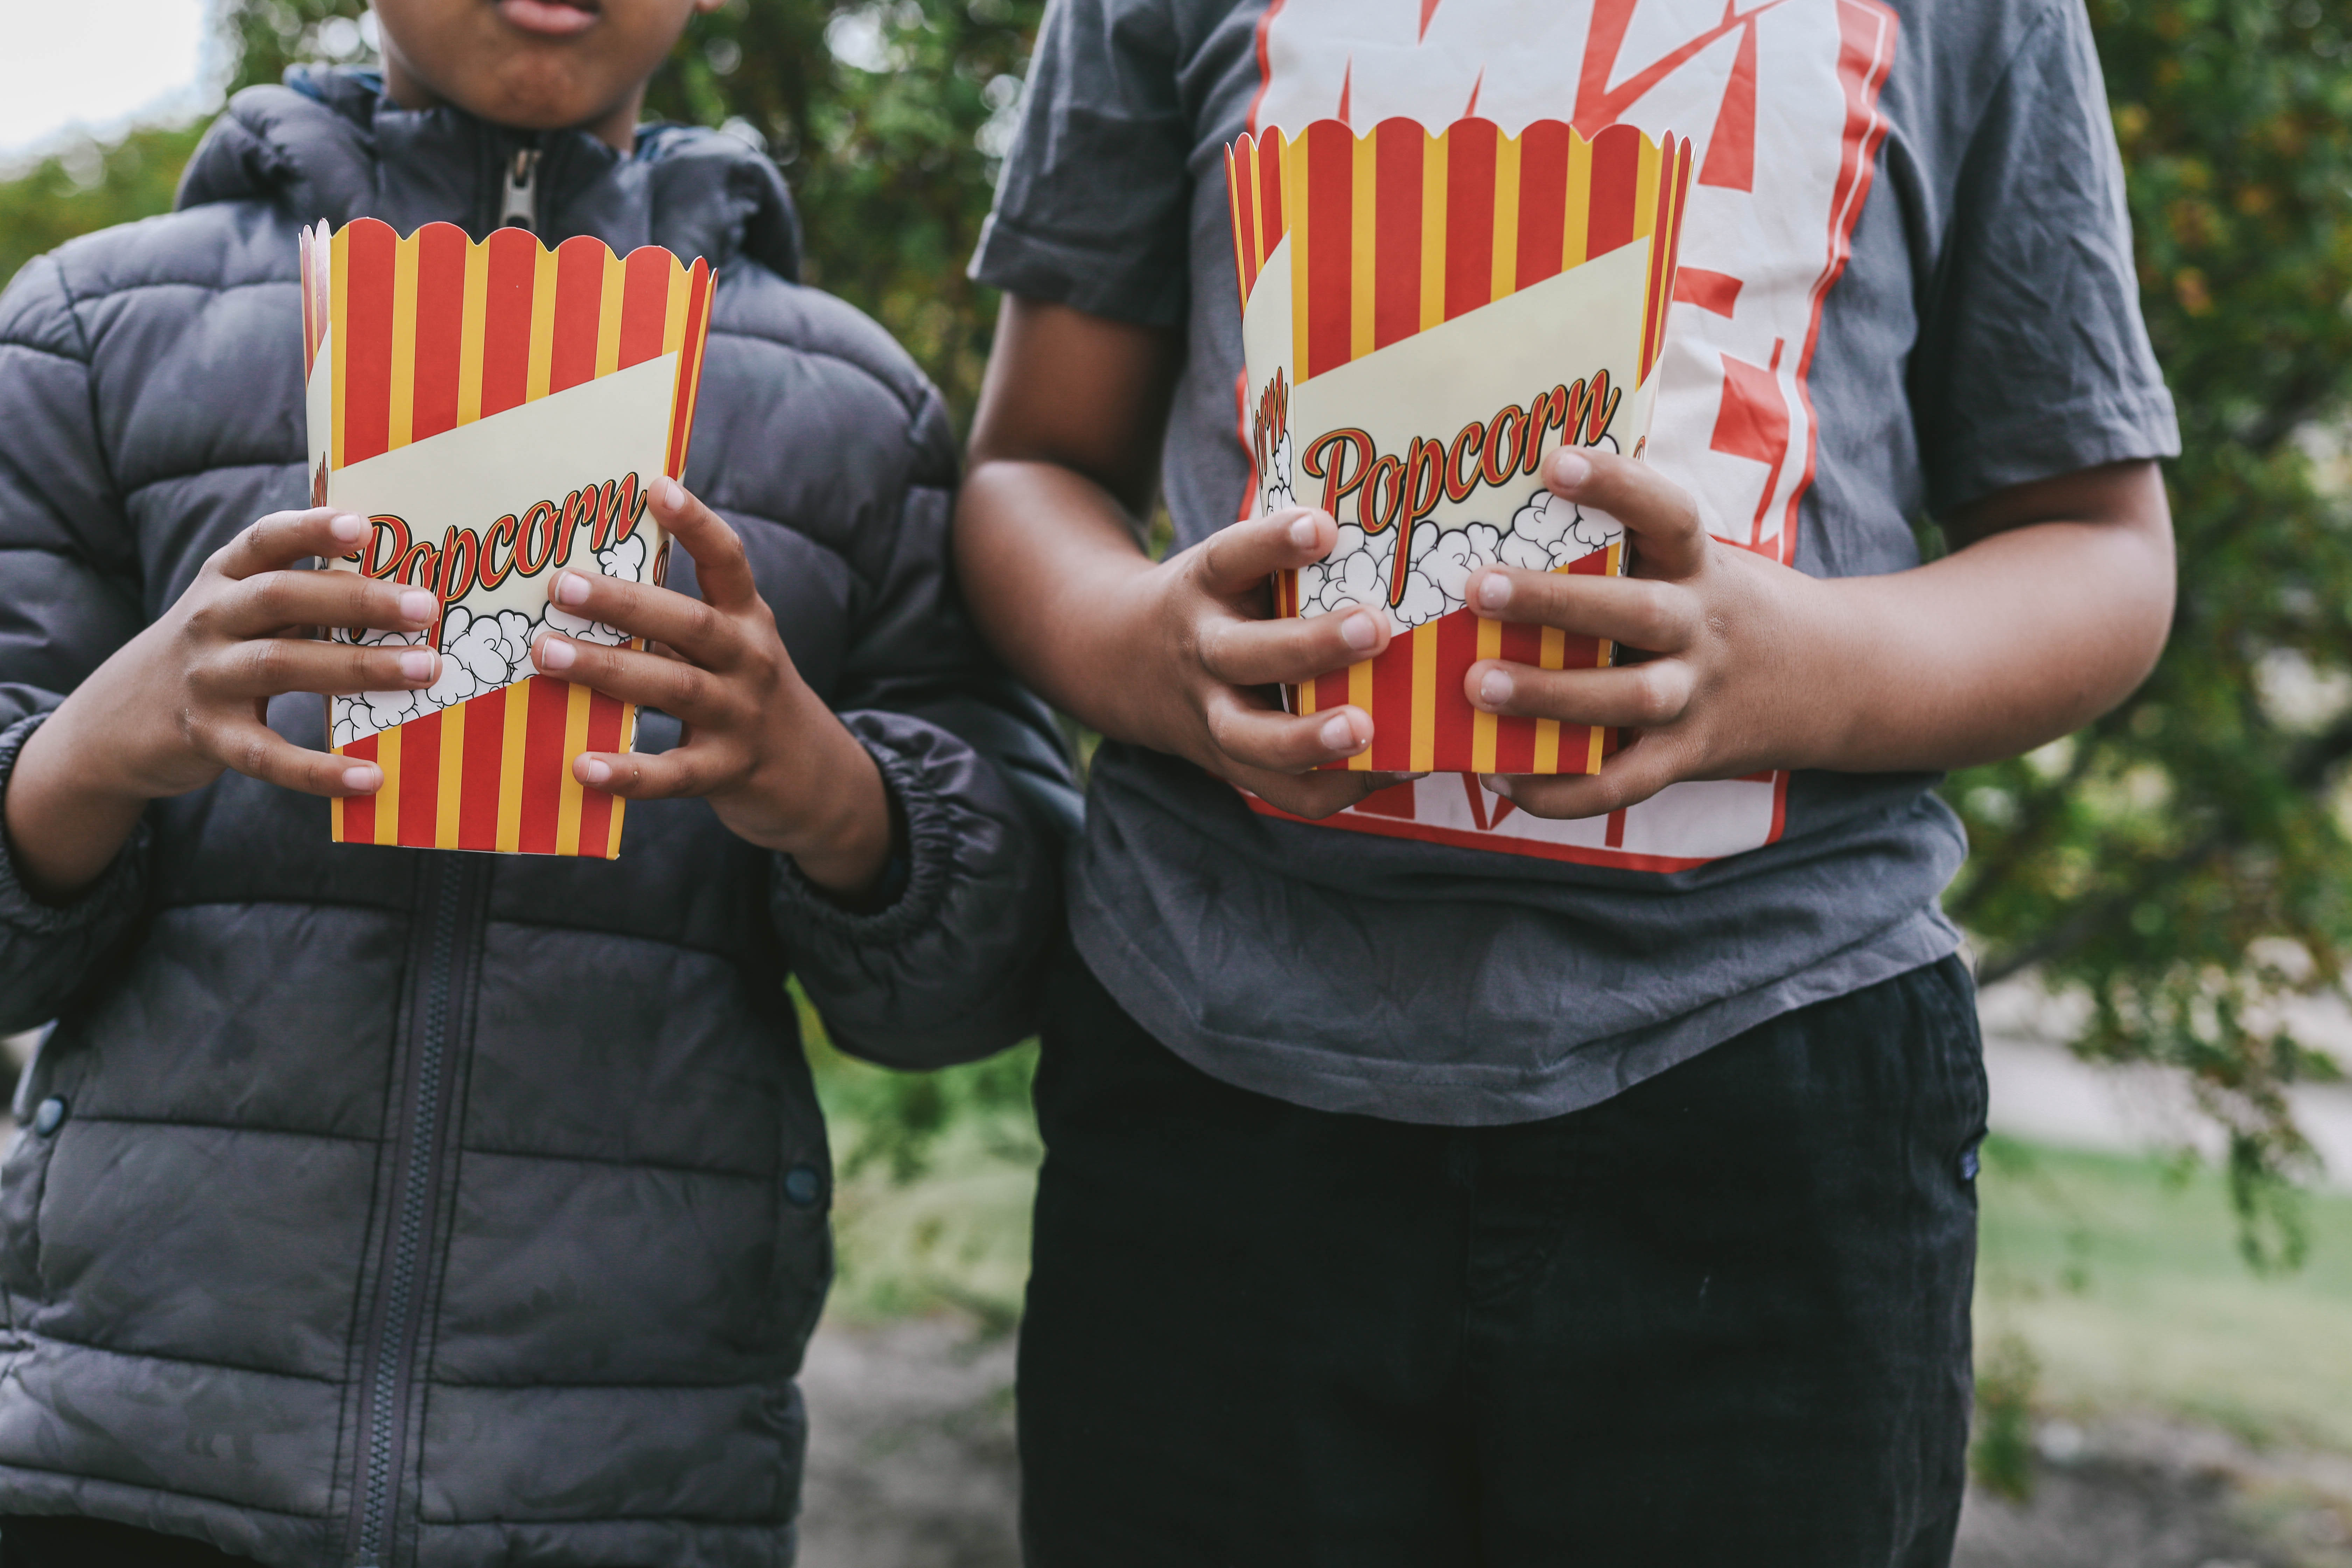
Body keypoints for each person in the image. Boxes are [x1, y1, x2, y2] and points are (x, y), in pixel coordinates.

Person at [958, 2, 2177, 1563]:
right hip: (1213, 1074)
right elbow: (1028, 468)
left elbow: (2103, 550)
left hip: (1772, 1090)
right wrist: (1143, 645)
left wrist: (1788, 664)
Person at [0, 0, 1072, 1563]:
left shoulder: (857, 410)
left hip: (636, 1473)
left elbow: (991, 971)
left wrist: (837, 798)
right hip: (130, 1458)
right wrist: (95, 748)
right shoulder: (97, 334)